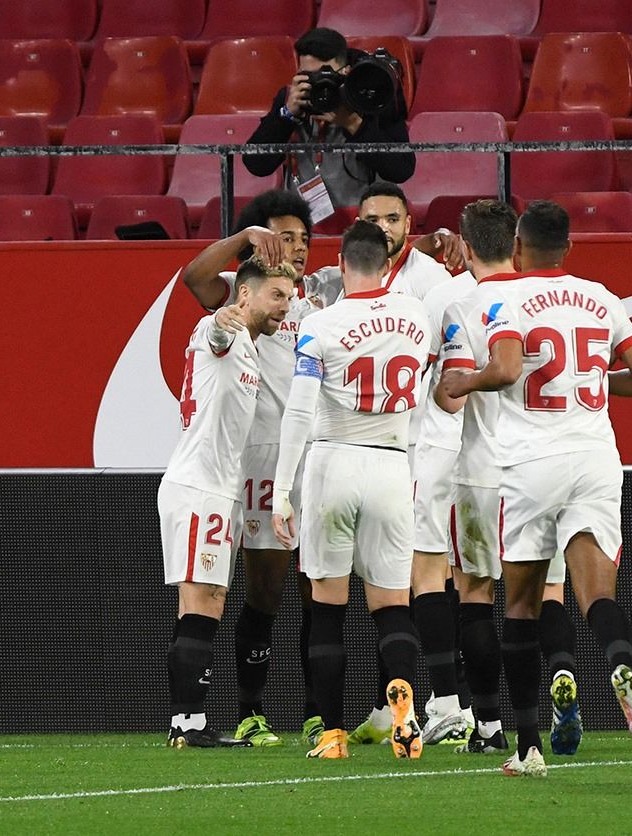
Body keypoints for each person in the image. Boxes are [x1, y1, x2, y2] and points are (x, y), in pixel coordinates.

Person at [441, 200, 632, 777]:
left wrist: (467, 380)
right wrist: (589, 384)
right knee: (596, 596)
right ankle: (619, 661)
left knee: (520, 604)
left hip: (531, 463)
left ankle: (527, 747)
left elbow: (509, 368)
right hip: (595, 458)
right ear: (569, 248)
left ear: (517, 247)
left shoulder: (505, 297)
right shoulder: (601, 296)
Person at [179, 190, 336, 748]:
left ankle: (320, 713)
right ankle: (252, 710)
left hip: (317, 458)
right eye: (283, 236)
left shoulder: (320, 304)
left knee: (322, 590)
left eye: (303, 239)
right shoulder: (243, 297)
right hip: (261, 460)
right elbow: (193, 279)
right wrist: (243, 238)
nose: (296, 247)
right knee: (264, 593)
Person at [272, 221, 433, 760]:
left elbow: (298, 411)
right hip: (393, 465)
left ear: (341, 265)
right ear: (387, 265)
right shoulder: (417, 316)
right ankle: (405, 718)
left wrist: (281, 490)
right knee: (392, 606)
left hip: (334, 461)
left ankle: (333, 735)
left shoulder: (321, 324)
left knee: (327, 607)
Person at [436, 200, 583, 758]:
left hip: (479, 473)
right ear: (515, 246)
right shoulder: (547, 300)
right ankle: (563, 675)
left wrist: (444, 384)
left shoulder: (462, 305)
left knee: (475, 592)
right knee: (547, 591)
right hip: (543, 468)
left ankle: (492, 725)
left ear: (467, 248)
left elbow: (450, 400)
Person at [160, 257, 296, 748]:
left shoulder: (253, 349)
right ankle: (189, 723)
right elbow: (212, 333)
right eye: (276, 295)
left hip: (214, 488)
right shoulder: (223, 330)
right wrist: (221, 321)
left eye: (289, 296)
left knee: (202, 602)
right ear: (245, 295)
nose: (286, 305)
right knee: (203, 602)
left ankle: (185, 723)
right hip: (201, 487)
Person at [245, 27, 415, 213]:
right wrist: (287, 115)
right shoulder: (291, 98)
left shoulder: (371, 97)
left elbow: (401, 169)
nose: (320, 83)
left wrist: (353, 124)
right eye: (309, 76)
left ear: (346, 71)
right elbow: (256, 165)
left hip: (364, 225)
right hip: (302, 227)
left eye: (326, 74)